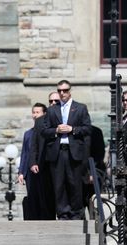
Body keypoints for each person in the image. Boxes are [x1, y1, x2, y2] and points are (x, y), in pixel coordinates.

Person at [42, 79, 92, 220]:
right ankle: (63, 213)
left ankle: (76, 213)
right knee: (59, 184)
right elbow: (44, 131)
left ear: (70, 91)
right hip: (57, 152)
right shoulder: (52, 110)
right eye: (59, 91)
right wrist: (56, 130)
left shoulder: (80, 108)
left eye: (65, 90)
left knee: (74, 183)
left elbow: (87, 129)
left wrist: (72, 129)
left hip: (74, 151)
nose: (62, 93)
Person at [28, 92, 61, 220]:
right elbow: (34, 143)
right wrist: (33, 162)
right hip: (44, 162)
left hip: (60, 161)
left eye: (56, 101)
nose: (53, 103)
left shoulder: (65, 117)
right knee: (45, 194)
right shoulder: (40, 120)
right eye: (51, 101)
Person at [18, 103, 47, 219]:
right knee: (32, 196)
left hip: (43, 171)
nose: (35, 115)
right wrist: (21, 172)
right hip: (31, 172)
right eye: (33, 112)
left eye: (37, 112)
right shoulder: (28, 134)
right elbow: (25, 153)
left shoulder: (45, 132)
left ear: (44, 114)